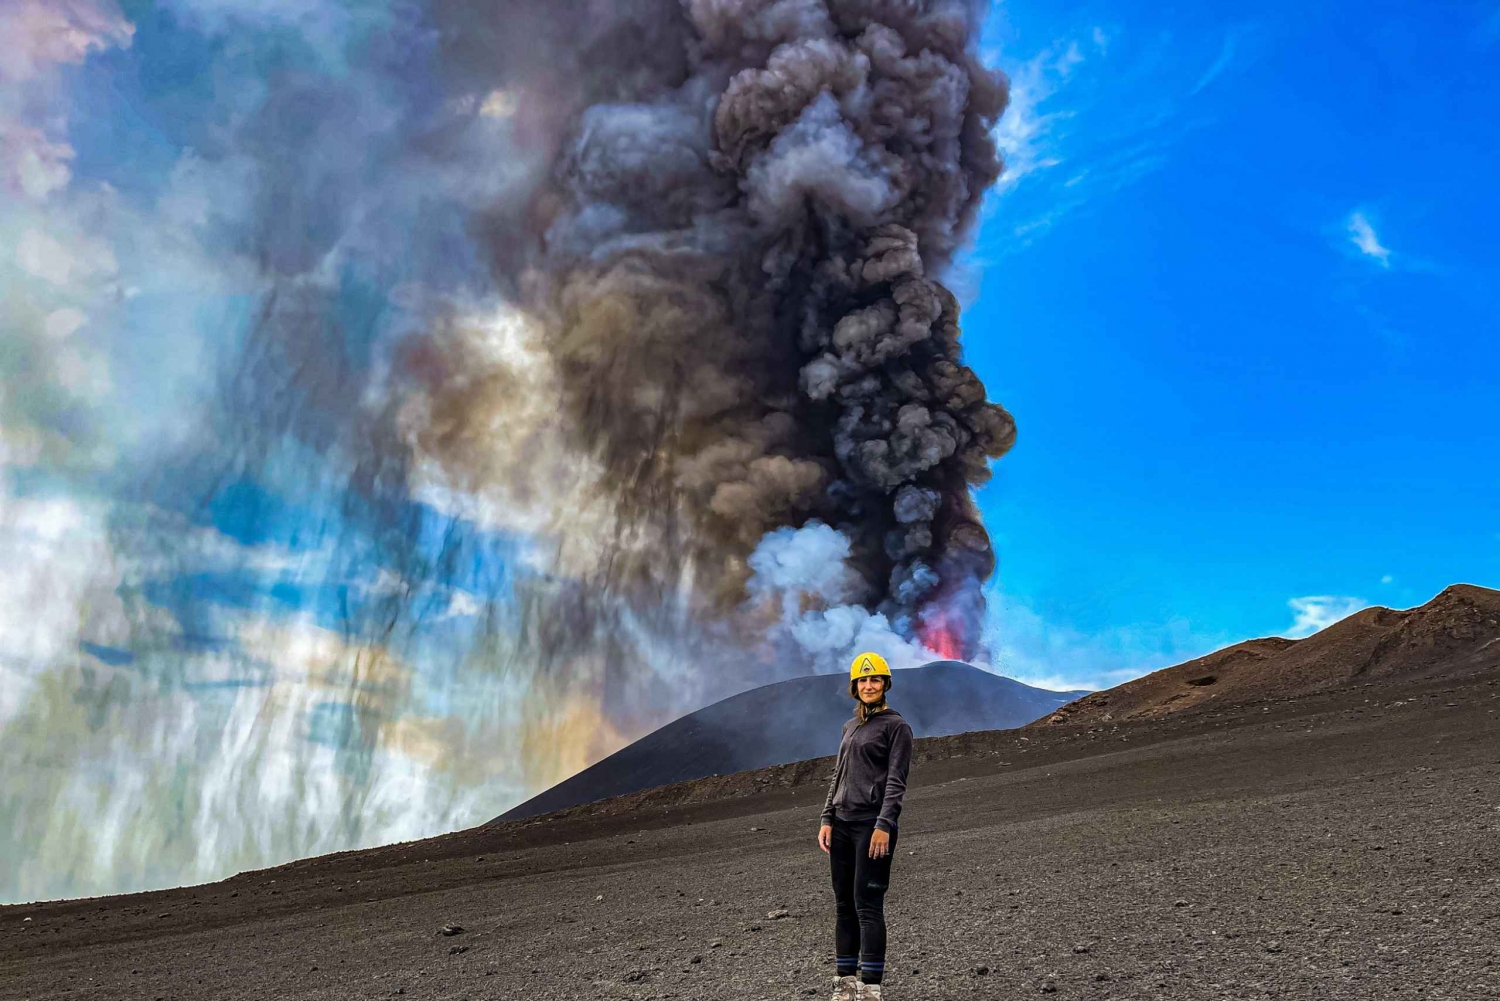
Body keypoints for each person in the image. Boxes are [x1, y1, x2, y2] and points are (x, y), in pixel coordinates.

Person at [818, 651, 915, 1001]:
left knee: (868, 904)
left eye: (875, 679)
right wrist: (827, 818)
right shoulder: (850, 726)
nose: (869, 685)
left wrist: (884, 824)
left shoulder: (896, 726)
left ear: (885, 684)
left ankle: (871, 987)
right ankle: (844, 983)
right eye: (863, 680)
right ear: (855, 686)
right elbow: (838, 774)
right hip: (842, 825)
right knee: (843, 904)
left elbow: (895, 781)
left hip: (871, 827)